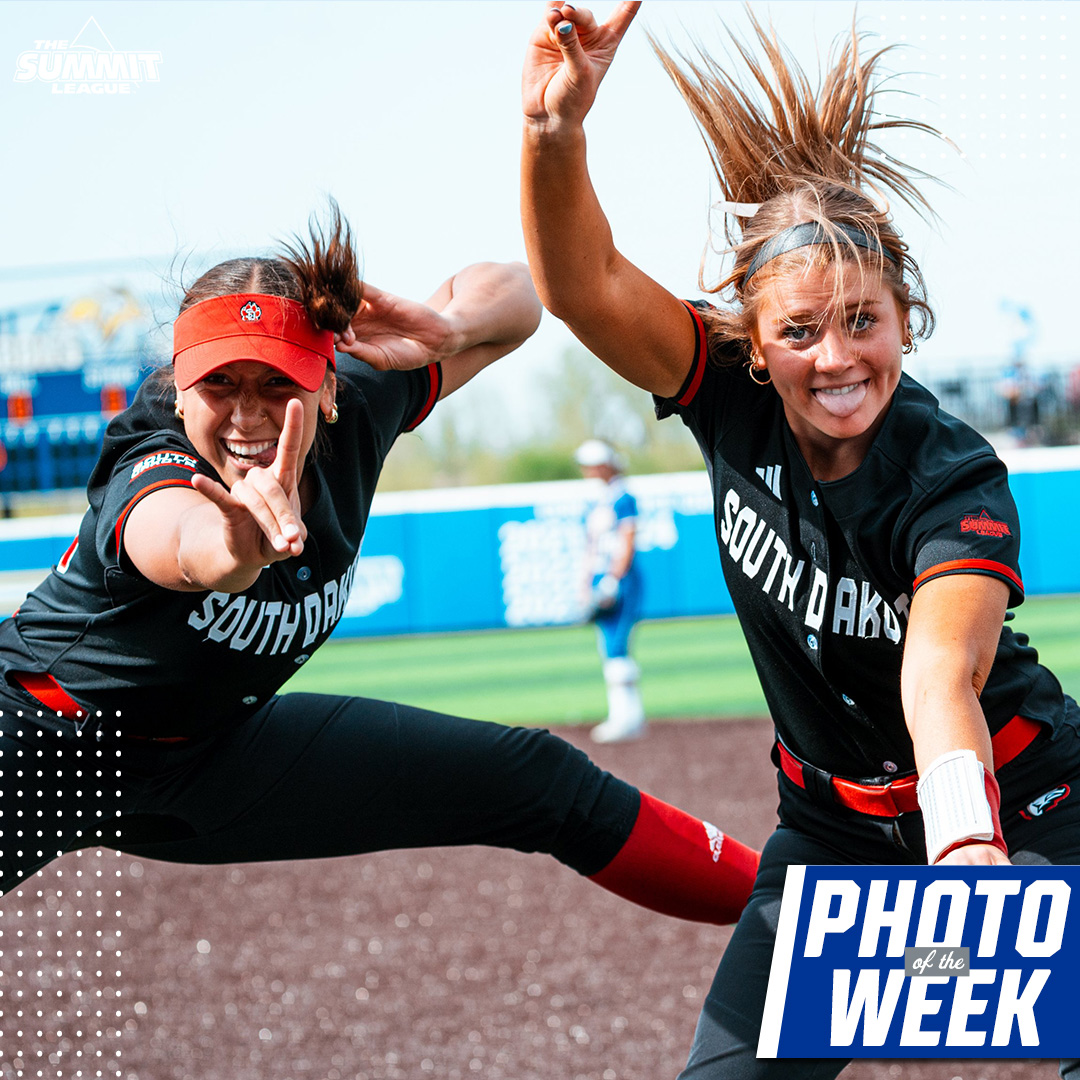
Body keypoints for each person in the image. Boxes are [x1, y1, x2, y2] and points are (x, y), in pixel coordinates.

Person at [521, 5, 1080, 1078]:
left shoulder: (951, 473)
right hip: (834, 835)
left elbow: (940, 673)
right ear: (754, 341)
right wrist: (553, 133)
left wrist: (967, 844)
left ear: (906, 318)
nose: (835, 357)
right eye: (798, 330)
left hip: (1028, 802)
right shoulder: (726, 397)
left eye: (863, 319)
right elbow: (581, 287)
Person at [0, 206, 759, 966]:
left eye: (277, 381)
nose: (247, 413)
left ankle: (803, 915)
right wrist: (233, 545)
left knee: (539, 780)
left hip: (210, 759)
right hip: (37, 739)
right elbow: (180, 542)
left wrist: (451, 329)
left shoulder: (361, 405)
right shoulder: (154, 459)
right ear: (178, 388)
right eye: (218, 383)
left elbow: (520, 296)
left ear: (328, 384)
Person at [575, 438, 646, 742]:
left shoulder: (622, 497)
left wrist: (612, 578)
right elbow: (592, 546)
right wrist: (585, 582)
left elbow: (627, 540)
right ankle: (627, 716)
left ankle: (625, 717)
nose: (587, 471)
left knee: (617, 645)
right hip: (602, 576)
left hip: (620, 579)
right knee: (610, 647)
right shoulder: (598, 500)